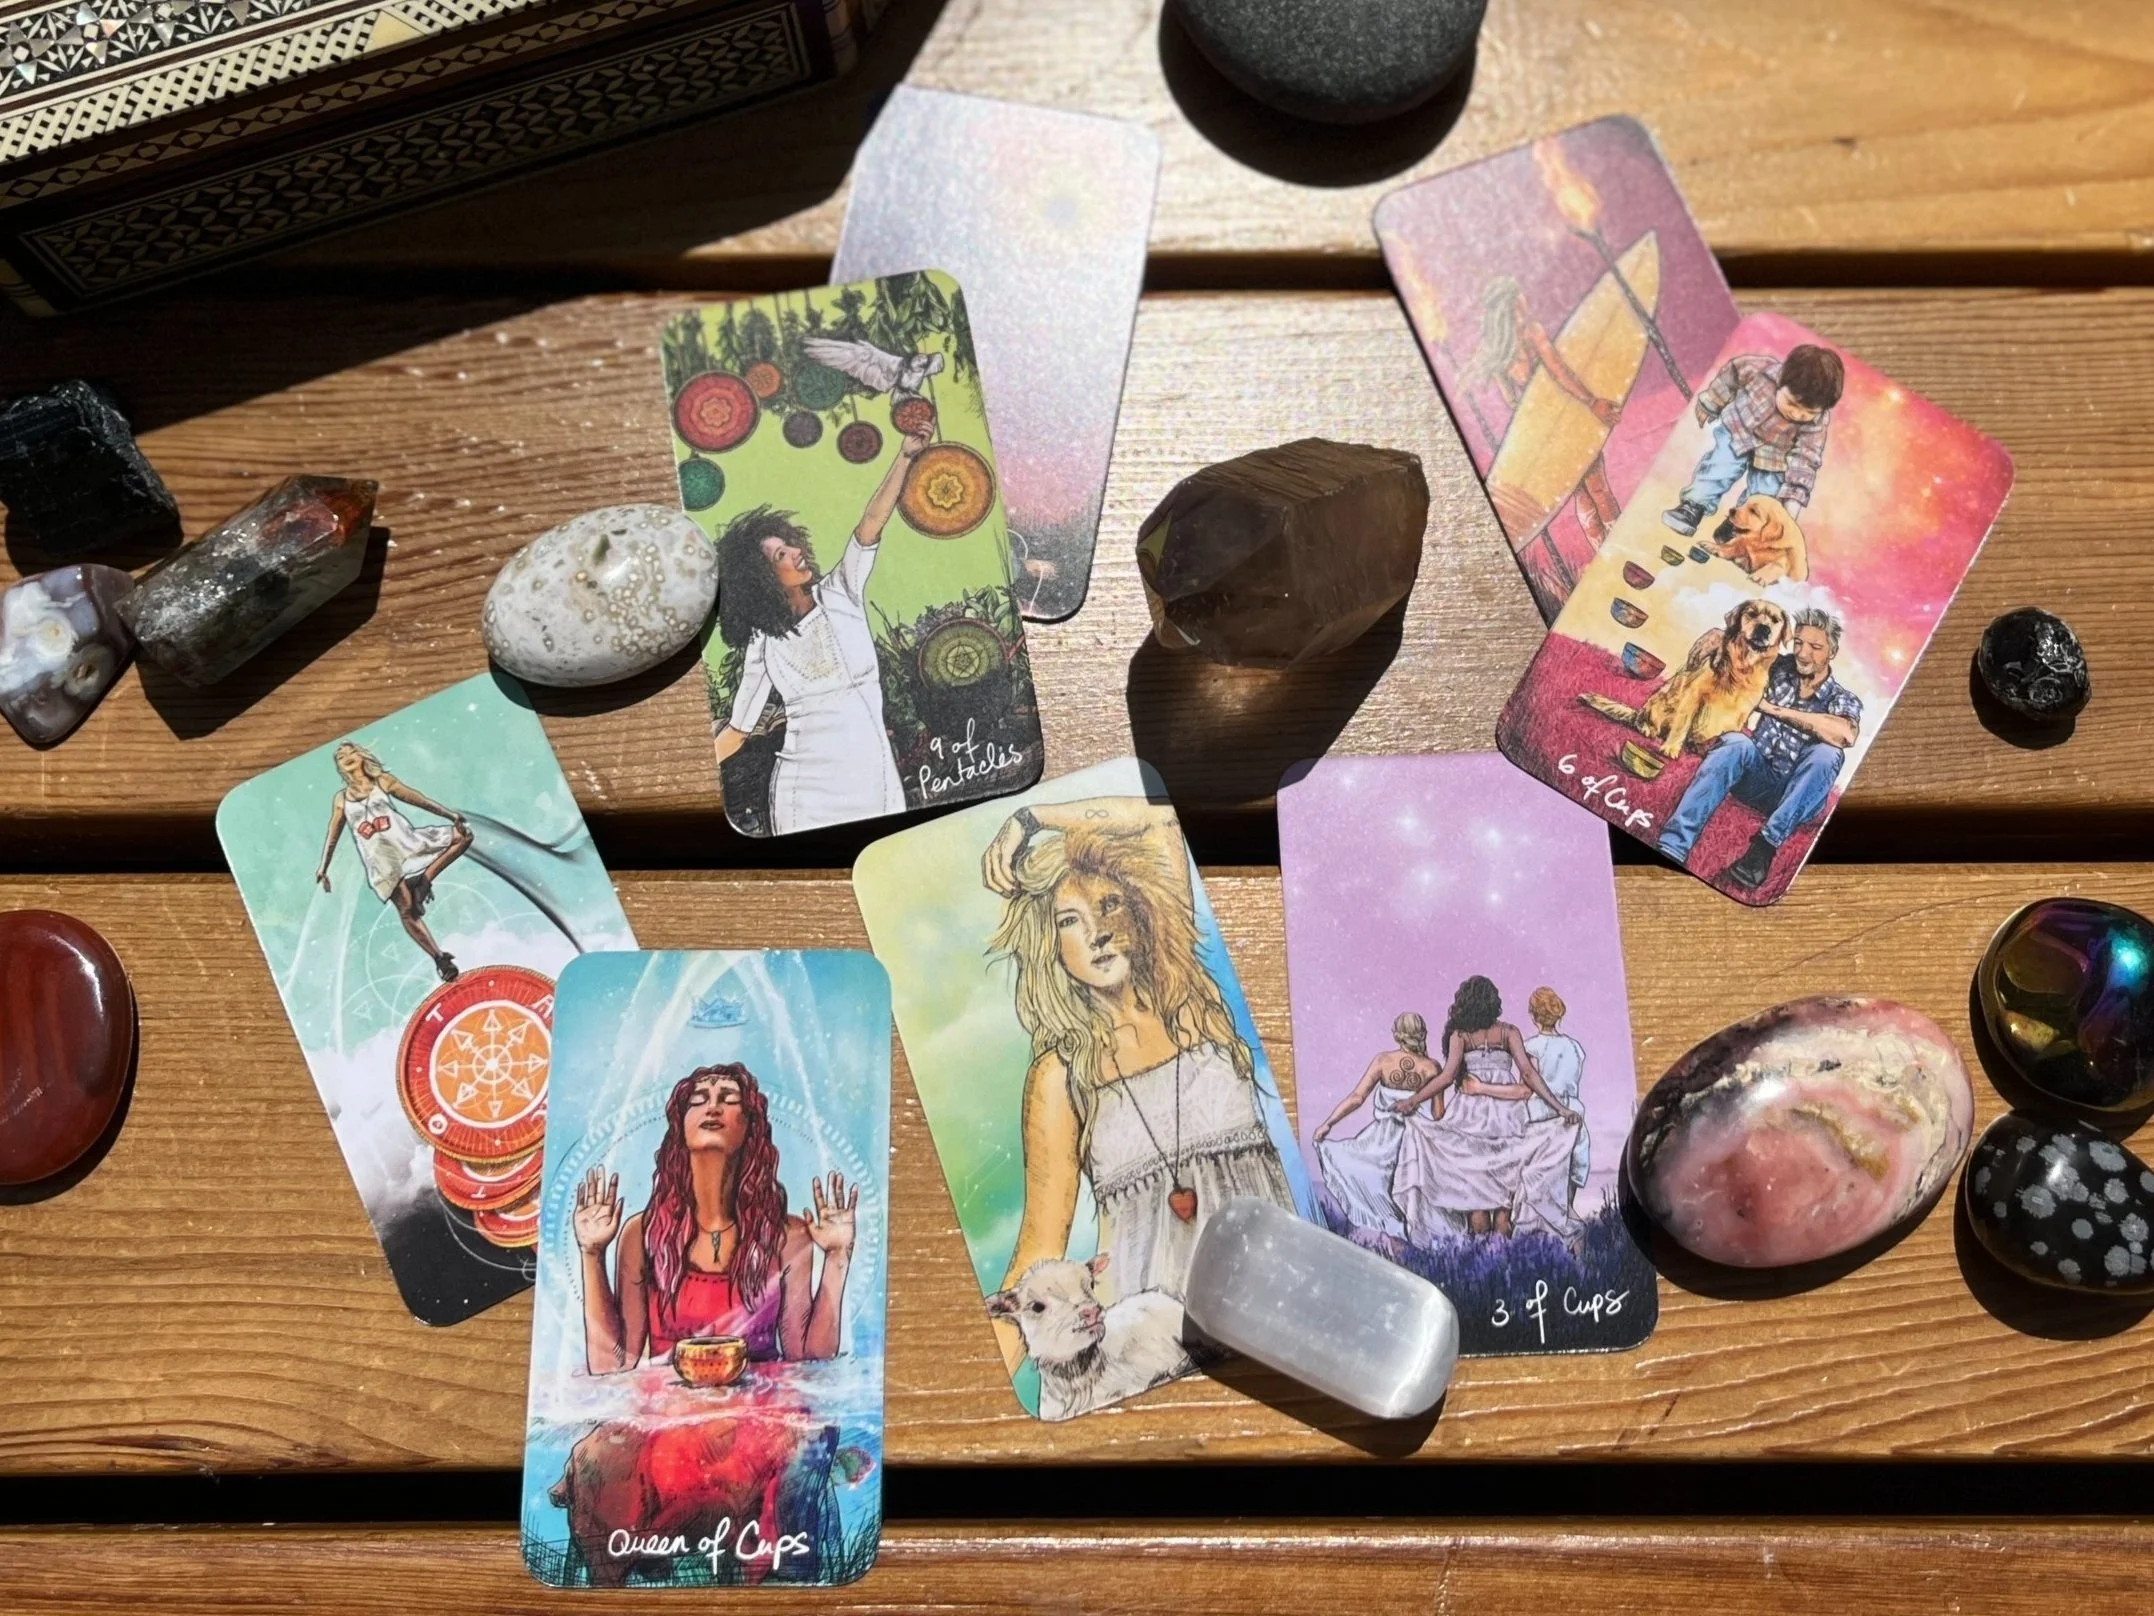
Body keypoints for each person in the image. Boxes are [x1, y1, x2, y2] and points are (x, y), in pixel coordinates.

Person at [980, 797, 1297, 1373]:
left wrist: (1034, 820)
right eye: (1069, 920)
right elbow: (1040, 1248)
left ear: (1141, 913)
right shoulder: (1060, 1076)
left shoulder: (1196, 1006)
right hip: (1152, 1353)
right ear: (1050, 945)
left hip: (1276, 1306)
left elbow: (1160, 820)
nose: (1097, 932)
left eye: (1110, 906)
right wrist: (978, 1393)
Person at [709, 426, 932, 834]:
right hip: (805, 794)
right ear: (762, 578)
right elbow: (738, 730)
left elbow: (872, 519)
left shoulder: (841, 590)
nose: (796, 551)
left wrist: (905, 455)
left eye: (790, 544)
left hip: (875, 778)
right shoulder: (764, 645)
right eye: (780, 554)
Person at [570, 1063, 857, 1372]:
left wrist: (838, 1254)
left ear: (751, 1125)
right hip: (669, 1410)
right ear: (680, 1124)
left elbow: (810, 1358)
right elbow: (611, 1365)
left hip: (760, 1408)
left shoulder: (788, 1235)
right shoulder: (642, 1234)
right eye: (698, 1100)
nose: (713, 1107)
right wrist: (592, 1253)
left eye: (729, 1099)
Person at [1656, 607, 1864, 890]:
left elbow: (1844, 735)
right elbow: (1745, 648)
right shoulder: (1777, 667)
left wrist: (1772, 709)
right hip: (1757, 778)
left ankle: (1764, 848)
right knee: (1735, 743)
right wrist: (1721, 635)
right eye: (1799, 643)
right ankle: (1673, 845)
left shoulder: (1842, 698)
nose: (1803, 654)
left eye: (1815, 647)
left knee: (1827, 754)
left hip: (1799, 795)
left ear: (1831, 652)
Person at [1387, 976, 1581, 1243]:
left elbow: (1446, 1077)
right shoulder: (1509, 1032)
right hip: (1507, 1116)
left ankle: (1478, 1260)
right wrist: (1559, 1108)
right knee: (1504, 1199)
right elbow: (1528, 1074)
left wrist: (1413, 1101)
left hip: (1470, 1115)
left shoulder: (1460, 1035)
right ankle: (1502, 1263)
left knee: (1475, 1197)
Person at [314, 741, 473, 981]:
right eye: (340, 756)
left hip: (405, 844)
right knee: (407, 909)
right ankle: (440, 959)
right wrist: (323, 867)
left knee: (463, 836)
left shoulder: (382, 781)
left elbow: (417, 799)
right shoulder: (341, 799)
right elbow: (333, 832)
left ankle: (424, 880)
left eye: (350, 751)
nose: (345, 756)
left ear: (361, 756)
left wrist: (450, 814)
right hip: (380, 861)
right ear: (339, 768)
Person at [1663, 343, 1844, 536]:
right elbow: (1730, 376)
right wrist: (1711, 402)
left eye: (1810, 412)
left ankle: (1739, 525)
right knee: (1719, 468)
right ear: (1781, 380)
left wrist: (1793, 505)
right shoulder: (1760, 370)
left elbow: (1806, 460)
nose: (1798, 415)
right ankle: (1693, 506)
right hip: (1739, 431)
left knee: (1765, 493)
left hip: (1775, 459)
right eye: (1792, 403)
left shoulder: (1816, 423)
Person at [1310, 1013, 1440, 1242]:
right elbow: (1439, 1114)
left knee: (1382, 1196)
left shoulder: (1383, 1061)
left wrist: (1328, 1123)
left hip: (1381, 1141)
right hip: (1416, 1144)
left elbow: (1357, 1098)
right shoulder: (1432, 1067)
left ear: (1397, 1034)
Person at [1520, 987, 1590, 1230]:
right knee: (1568, 1173)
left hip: (1543, 1112)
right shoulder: (1574, 1047)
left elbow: (1528, 1085)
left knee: (1541, 1179)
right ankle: (1567, 1228)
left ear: (1533, 1015)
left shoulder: (1531, 1047)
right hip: (1574, 1110)